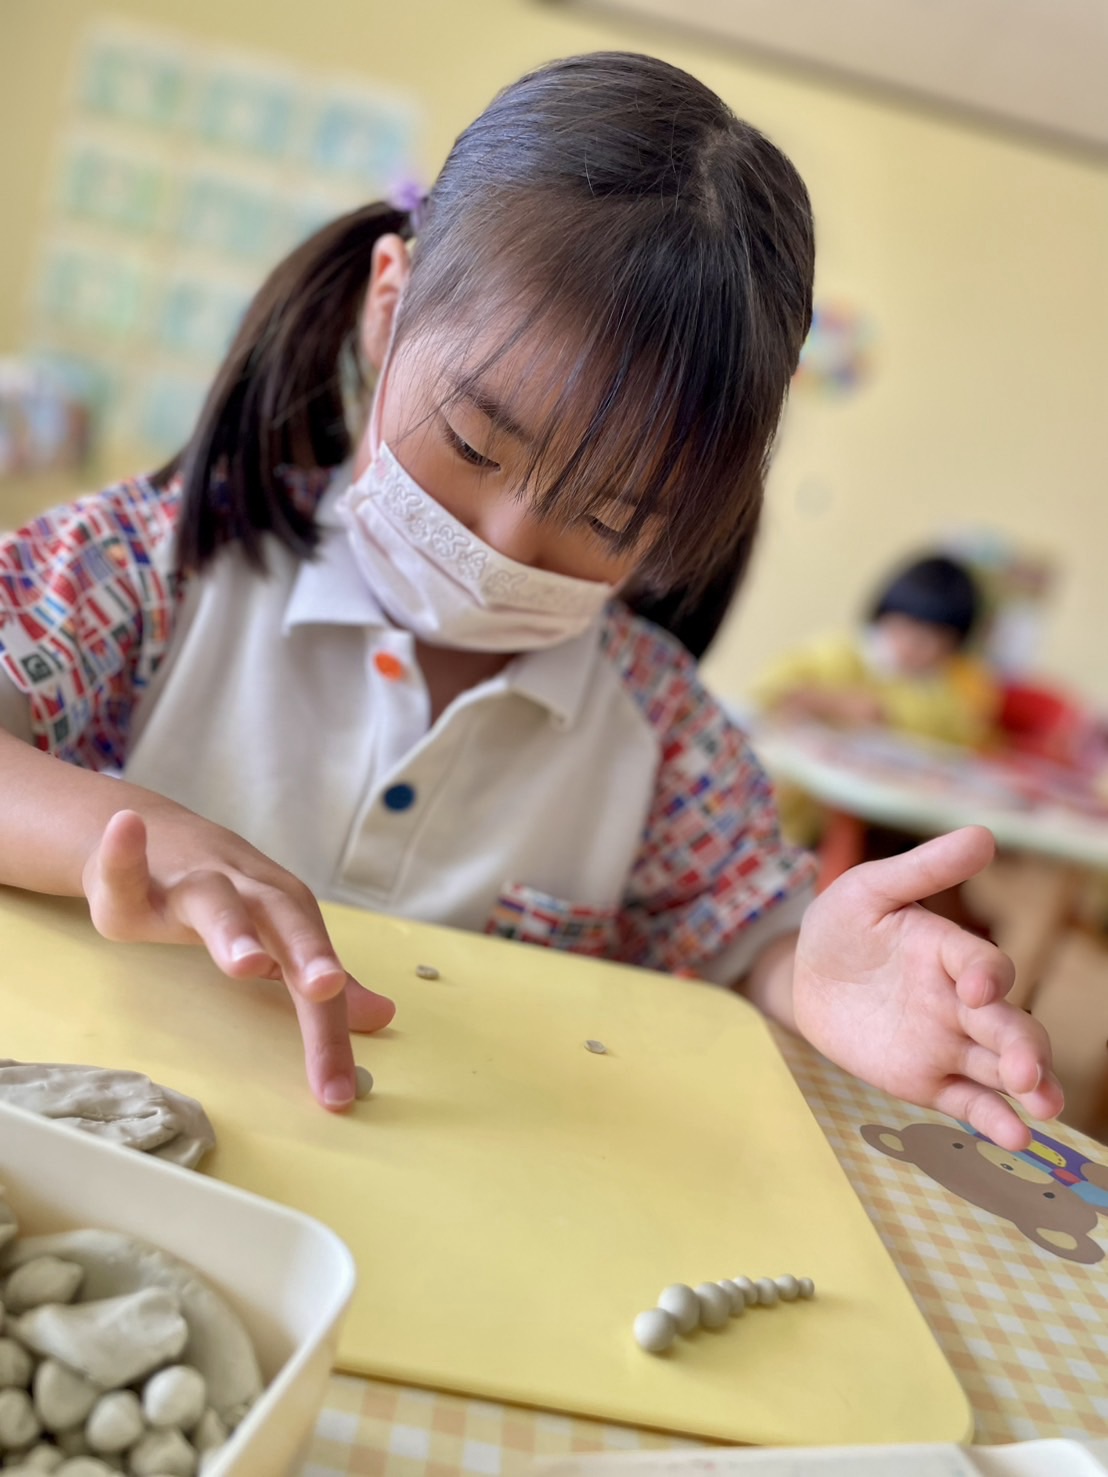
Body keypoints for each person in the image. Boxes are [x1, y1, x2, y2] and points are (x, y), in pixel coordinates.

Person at [0, 52, 1060, 1148]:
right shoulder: (157, 564)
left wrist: (815, 979)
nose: (500, 538)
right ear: (388, 306)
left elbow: (749, 939)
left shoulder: (666, 743)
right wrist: (123, 836)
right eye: (470, 443)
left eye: (608, 518)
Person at [755, 553, 998, 750]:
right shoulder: (837, 654)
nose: (924, 650)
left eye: (941, 642)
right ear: (885, 615)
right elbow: (765, 692)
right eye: (912, 632)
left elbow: (961, 737)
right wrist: (823, 701)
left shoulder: (941, 687)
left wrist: (883, 712)